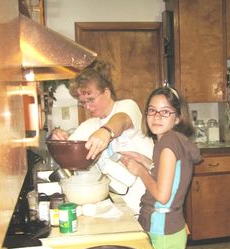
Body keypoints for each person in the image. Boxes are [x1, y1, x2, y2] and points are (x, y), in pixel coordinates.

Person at [50, 60, 154, 215]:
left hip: (148, 199)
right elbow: (68, 148)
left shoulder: (127, 106)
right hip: (120, 204)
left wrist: (106, 131)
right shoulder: (91, 124)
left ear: (106, 92)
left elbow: (121, 120)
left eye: (91, 99)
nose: (87, 107)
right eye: (82, 103)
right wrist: (56, 136)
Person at [120, 86, 202, 249]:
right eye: (152, 110)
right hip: (172, 226)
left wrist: (139, 171)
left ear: (177, 117)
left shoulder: (166, 145)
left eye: (165, 112)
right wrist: (145, 161)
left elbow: (163, 196)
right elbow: (171, 174)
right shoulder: (176, 140)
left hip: (162, 229)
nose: (157, 117)